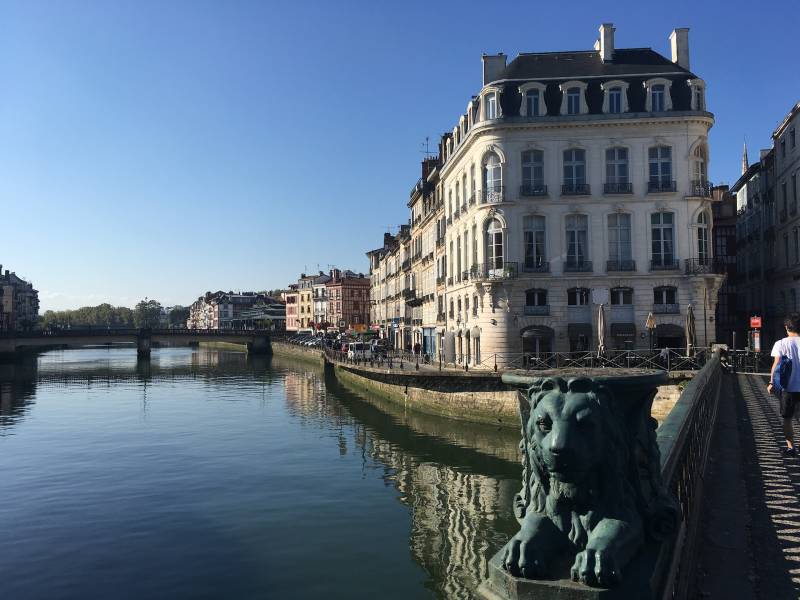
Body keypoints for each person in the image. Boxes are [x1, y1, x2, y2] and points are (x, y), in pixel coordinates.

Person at [768, 313, 800, 456]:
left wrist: (771, 383)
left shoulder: (780, 344)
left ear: (786, 327)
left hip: (788, 388)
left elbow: (776, 365)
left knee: (787, 419)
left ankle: (791, 448)